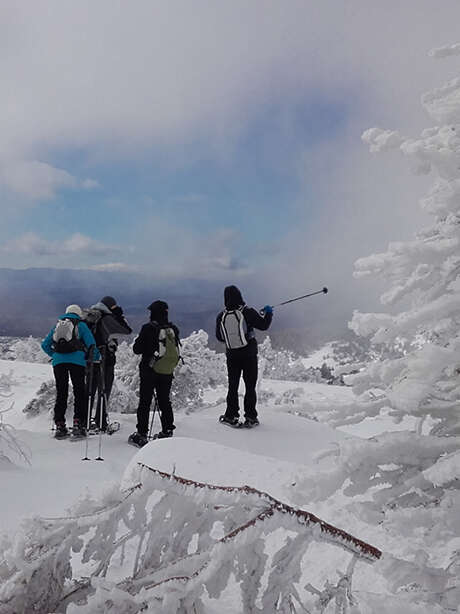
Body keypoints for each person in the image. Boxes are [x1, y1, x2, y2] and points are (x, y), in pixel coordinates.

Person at [216, 285, 273, 427]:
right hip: (249, 354)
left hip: (232, 355)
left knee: (233, 386)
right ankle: (251, 417)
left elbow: (220, 337)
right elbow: (264, 325)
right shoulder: (247, 312)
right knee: (250, 386)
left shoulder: (221, 316)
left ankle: (231, 415)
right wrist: (269, 313)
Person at [41, 304, 100, 439]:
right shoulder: (81, 325)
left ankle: (60, 425)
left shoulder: (58, 325)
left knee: (61, 392)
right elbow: (91, 344)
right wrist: (96, 358)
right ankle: (78, 424)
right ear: (78, 314)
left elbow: (45, 344)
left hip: (58, 363)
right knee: (79, 391)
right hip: (77, 362)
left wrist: (55, 355)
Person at [128, 300, 180, 447]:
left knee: (145, 402)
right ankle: (167, 430)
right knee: (165, 401)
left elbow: (136, 349)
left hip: (149, 370)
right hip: (167, 371)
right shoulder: (173, 329)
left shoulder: (148, 328)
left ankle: (142, 434)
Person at [86, 295, 132, 430]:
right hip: (105, 359)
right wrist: (119, 316)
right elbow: (127, 331)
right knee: (104, 390)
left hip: (89, 360)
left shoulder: (90, 316)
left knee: (89, 391)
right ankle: (101, 422)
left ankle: (84, 422)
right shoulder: (107, 318)